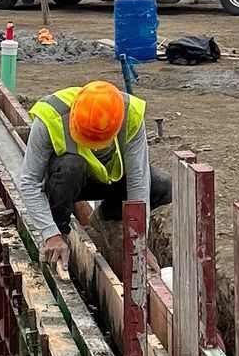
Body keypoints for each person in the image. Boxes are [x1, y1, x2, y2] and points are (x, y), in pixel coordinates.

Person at [17, 80, 172, 265]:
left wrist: (139, 242)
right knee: (71, 165)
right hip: (66, 182)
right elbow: (29, 182)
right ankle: (60, 235)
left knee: (163, 184)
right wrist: (50, 233)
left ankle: (108, 218)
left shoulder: (131, 115)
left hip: (108, 181)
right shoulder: (51, 116)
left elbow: (138, 180)